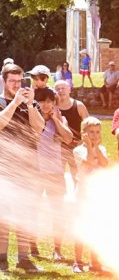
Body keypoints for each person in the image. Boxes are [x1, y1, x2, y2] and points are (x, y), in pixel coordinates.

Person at [0, 64, 46, 273]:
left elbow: (39, 127)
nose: (17, 85)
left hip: (27, 167)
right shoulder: (1, 102)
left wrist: (28, 104)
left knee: (25, 213)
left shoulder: (31, 103)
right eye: (12, 81)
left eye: (19, 81)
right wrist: (15, 102)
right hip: (5, 167)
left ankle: (23, 258)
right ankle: (2, 260)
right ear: (4, 81)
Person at [33, 88, 74, 260]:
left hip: (56, 172)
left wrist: (56, 119)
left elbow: (69, 138)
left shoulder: (60, 118)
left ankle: (57, 249)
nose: (46, 104)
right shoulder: (32, 117)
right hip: (36, 172)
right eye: (42, 101)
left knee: (57, 211)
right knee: (32, 210)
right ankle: (32, 247)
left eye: (50, 101)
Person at [72, 117, 108, 273]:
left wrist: (97, 147)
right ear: (83, 134)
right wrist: (89, 146)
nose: (94, 135)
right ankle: (78, 261)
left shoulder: (102, 149)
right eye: (91, 132)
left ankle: (95, 261)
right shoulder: (79, 150)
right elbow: (90, 162)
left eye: (98, 132)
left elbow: (105, 163)